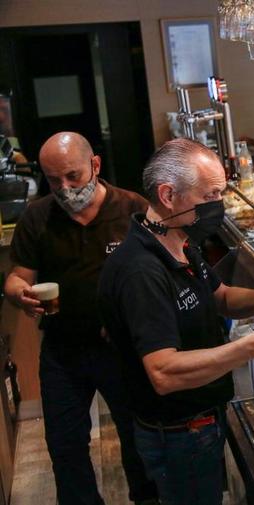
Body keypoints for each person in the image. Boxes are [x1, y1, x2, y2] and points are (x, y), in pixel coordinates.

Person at [97, 138, 254, 505]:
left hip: (203, 421)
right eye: (210, 195)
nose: (218, 206)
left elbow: (217, 296)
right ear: (168, 195)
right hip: (177, 434)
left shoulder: (180, 241)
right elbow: (164, 372)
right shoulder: (140, 270)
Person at [3, 132, 158, 505]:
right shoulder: (38, 216)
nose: (65, 188)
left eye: (73, 176)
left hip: (122, 350)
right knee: (65, 444)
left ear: (95, 165)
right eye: (54, 180)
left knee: (138, 436)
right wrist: (18, 294)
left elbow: (163, 273)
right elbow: (17, 276)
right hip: (63, 350)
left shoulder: (133, 208)